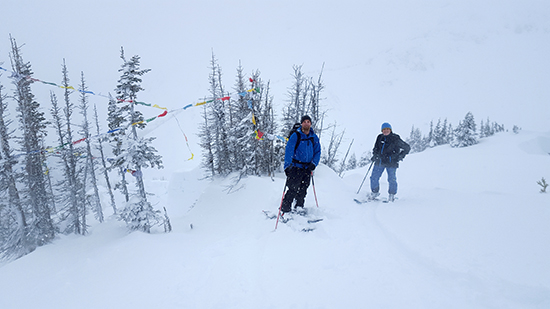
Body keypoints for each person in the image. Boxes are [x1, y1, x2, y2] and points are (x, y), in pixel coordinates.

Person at [281, 115, 321, 214]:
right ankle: (285, 208)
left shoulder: (313, 137)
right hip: (296, 167)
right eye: (304, 122)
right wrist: (287, 166)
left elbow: (318, 151)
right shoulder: (296, 135)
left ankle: (299, 206)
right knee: (292, 188)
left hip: (307, 168)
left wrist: (314, 164)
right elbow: (289, 150)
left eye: (308, 122)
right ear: (302, 123)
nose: (306, 123)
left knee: (303, 188)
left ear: (310, 124)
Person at [369, 122, 410, 202]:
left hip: (391, 163)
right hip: (380, 161)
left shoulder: (395, 138)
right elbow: (376, 148)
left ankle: (392, 195)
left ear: (390, 130)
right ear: (382, 131)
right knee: (374, 177)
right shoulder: (379, 137)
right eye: (384, 129)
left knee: (391, 179)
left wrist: (399, 157)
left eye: (387, 129)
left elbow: (407, 148)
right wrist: (375, 155)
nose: (386, 131)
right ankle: (375, 193)